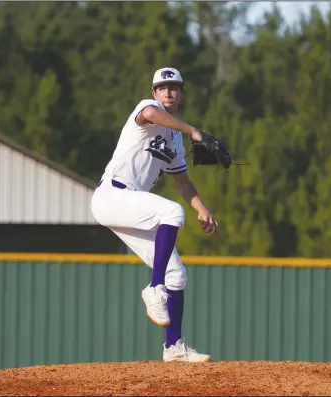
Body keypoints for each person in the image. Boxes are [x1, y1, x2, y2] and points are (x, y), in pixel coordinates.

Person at [91, 67, 217, 362]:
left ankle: (173, 348)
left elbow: (182, 181)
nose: (168, 92)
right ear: (154, 93)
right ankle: (154, 287)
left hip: (128, 204)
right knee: (172, 212)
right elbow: (149, 113)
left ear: (182, 93)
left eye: (174, 87)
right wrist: (193, 130)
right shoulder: (149, 110)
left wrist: (202, 207)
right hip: (112, 194)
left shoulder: (174, 142)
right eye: (162, 87)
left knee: (178, 274)